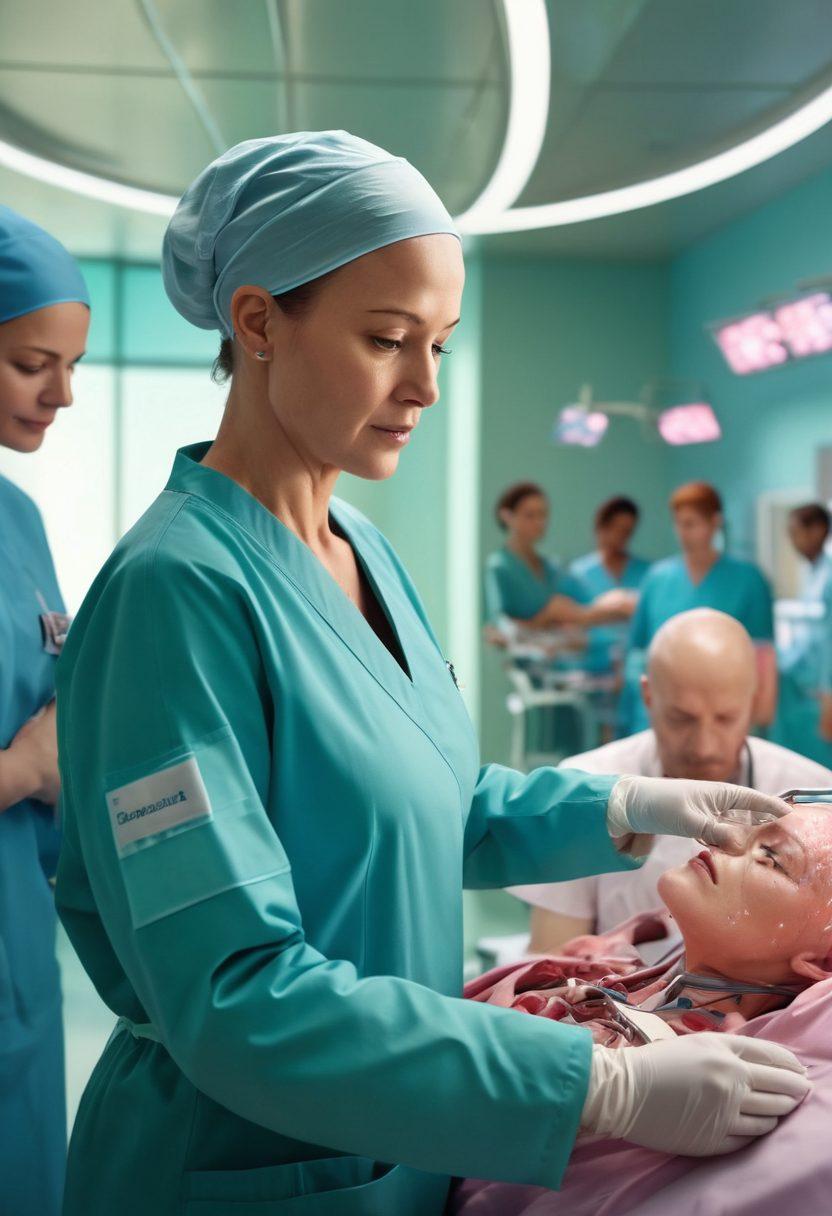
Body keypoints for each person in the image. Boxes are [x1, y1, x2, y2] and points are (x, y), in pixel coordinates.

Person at [55, 131, 796, 1216]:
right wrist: (597, 1085)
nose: (426, 385)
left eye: (442, 343)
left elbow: (430, 802)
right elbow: (234, 993)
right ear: (258, 321)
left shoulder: (363, 549)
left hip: (394, 1145)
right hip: (240, 1162)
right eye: (388, 338)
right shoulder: (176, 596)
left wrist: (630, 807)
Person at [453, 799, 832, 1216]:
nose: (729, 840)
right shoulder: (606, 970)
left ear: (821, 963)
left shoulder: (733, 1088)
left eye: (772, 857)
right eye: (749, 831)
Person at [509, 608, 831, 961]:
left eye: (725, 719)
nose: (704, 746)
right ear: (647, 697)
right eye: (682, 719)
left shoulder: (815, 802)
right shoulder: (585, 790)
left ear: (753, 702)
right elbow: (550, 962)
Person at [0, 207, 90, 1216]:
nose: (63, 392)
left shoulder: (17, 515)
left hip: (22, 956)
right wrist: (21, 771)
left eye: (72, 364)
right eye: (35, 362)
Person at [625, 481, 776, 733]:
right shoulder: (657, 579)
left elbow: (763, 651)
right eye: (679, 524)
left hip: (724, 713)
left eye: (691, 524)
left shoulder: (748, 579)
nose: (683, 533)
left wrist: (762, 711)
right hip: (662, 713)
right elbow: (638, 650)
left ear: (715, 522)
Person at [485, 482, 636, 644]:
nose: (539, 522)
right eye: (530, 515)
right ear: (507, 516)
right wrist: (546, 617)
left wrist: (613, 604)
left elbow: (581, 609)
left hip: (556, 661)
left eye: (543, 515)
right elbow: (495, 632)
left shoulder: (551, 567)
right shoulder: (499, 567)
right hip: (522, 662)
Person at [774, 502, 832, 766]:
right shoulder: (813, 574)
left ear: (818, 530)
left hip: (821, 694)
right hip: (801, 690)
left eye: (795, 532)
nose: (792, 541)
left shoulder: (829, 577)